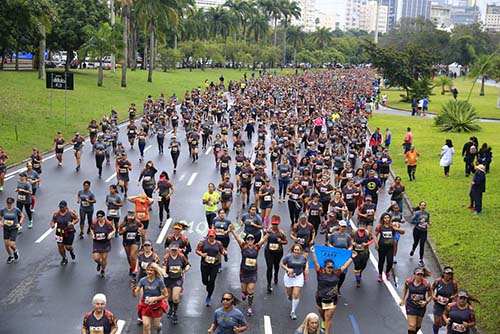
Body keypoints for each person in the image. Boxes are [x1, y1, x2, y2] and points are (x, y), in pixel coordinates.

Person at [310, 245, 354, 334]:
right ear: (325, 267)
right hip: (320, 298)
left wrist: (352, 258)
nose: (330, 269)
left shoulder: (337, 273)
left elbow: (345, 266)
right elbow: (315, 263)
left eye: (331, 267)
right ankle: (323, 321)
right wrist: (313, 252)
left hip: (332, 299)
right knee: (322, 315)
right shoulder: (320, 272)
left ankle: (327, 332)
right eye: (328, 267)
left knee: (328, 317)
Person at [230, 224, 268, 316]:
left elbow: (263, 240)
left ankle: (249, 307)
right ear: (246, 240)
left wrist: (269, 233)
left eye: (252, 239)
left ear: (254, 240)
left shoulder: (256, 247)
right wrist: (232, 231)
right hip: (244, 272)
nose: (250, 241)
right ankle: (244, 293)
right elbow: (237, 238)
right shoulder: (243, 246)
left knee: (250, 289)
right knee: (244, 289)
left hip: (253, 272)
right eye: (248, 239)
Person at [132, 262, 168, 334]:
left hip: (156, 307)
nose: (149, 272)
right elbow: (135, 294)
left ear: (155, 271)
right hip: (146, 306)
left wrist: (154, 299)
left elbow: (165, 295)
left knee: (155, 326)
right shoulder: (143, 280)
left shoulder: (159, 281)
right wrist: (133, 289)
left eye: (151, 270)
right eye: (148, 270)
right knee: (146, 326)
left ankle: (159, 328)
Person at [196, 229, 226, 306]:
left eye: (212, 236)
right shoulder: (202, 243)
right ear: (208, 236)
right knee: (205, 281)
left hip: (214, 265)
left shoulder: (218, 243)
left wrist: (224, 253)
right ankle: (208, 286)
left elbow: (222, 250)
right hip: (204, 264)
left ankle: (209, 296)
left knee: (212, 281)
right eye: (210, 236)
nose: (211, 238)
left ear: (215, 236)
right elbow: (197, 250)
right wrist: (202, 254)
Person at [162, 242, 190, 324]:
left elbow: (187, 264)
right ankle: (171, 308)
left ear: (178, 249)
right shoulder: (167, 257)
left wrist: (185, 269)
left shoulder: (181, 256)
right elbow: (164, 266)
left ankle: (175, 312)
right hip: (168, 279)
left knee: (175, 298)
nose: (174, 251)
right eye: (172, 250)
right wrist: (164, 273)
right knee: (170, 298)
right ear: (170, 249)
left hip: (178, 279)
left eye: (175, 250)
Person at [400, 267, 434, 334]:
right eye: (418, 274)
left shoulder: (426, 284)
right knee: (412, 325)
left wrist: (426, 302)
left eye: (421, 275)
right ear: (414, 275)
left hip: (421, 307)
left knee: (417, 326)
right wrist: (402, 299)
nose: (419, 276)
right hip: (411, 305)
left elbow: (431, 295)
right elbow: (405, 288)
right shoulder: (408, 281)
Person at [374, 212, 405, 282]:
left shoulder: (392, 226)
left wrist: (396, 228)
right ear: (383, 219)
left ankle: (387, 272)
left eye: (388, 218)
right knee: (381, 261)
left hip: (390, 247)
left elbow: (403, 232)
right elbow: (375, 235)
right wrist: (376, 244)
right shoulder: (380, 226)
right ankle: (380, 274)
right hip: (382, 246)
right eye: (385, 218)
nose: (387, 219)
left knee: (390, 261)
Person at [281, 243, 308, 320]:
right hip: (289, 277)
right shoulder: (289, 257)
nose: (296, 251)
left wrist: (306, 268)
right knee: (289, 293)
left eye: (298, 250)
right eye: (295, 250)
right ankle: (290, 296)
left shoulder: (303, 257)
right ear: (293, 250)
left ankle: (293, 312)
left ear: (300, 251)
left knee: (296, 294)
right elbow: (282, 264)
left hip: (298, 277)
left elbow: (306, 263)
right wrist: (288, 269)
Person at [50, 200, 79, 265]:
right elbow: (53, 220)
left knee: (68, 247)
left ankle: (71, 250)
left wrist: (72, 223)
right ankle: (64, 258)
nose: (61, 209)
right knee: (60, 246)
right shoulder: (56, 213)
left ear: (66, 207)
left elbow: (77, 219)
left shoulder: (71, 213)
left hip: (69, 231)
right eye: (60, 207)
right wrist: (52, 224)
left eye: (62, 207)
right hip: (59, 232)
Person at [264, 215, 288, 293]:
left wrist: (280, 241)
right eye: (273, 224)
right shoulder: (268, 231)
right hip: (269, 251)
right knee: (269, 267)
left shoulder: (281, 233)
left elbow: (286, 242)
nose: (274, 225)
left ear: (278, 224)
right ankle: (268, 284)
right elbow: (263, 239)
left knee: (276, 265)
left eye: (276, 224)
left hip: (278, 252)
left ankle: (276, 274)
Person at [432, 266, 458, 334]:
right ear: (443, 274)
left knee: (444, 323)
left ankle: (440, 325)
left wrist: (453, 297)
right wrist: (433, 296)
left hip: (447, 305)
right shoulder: (438, 281)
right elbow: (431, 289)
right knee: (436, 321)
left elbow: (456, 293)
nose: (448, 276)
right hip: (438, 303)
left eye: (450, 274)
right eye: (447, 274)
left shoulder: (454, 283)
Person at [91, 210, 116, 278]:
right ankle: (99, 263)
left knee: (104, 258)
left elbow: (114, 230)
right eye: (98, 217)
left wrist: (110, 234)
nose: (99, 218)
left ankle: (102, 270)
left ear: (103, 217)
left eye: (101, 217)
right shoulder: (94, 223)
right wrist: (93, 234)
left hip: (105, 242)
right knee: (96, 258)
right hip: (97, 242)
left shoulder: (108, 223)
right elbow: (91, 229)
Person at [119, 211, 143, 277]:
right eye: (129, 217)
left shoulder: (137, 222)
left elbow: (142, 226)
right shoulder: (124, 223)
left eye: (132, 217)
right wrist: (123, 231)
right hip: (126, 241)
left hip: (135, 241)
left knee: (132, 255)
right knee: (129, 256)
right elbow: (119, 232)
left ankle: (134, 270)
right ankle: (132, 267)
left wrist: (140, 229)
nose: (130, 219)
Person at [1, 197, 23, 263]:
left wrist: (19, 223)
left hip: (14, 228)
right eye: (8, 203)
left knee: (11, 244)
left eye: (10, 203)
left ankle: (15, 251)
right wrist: (1, 223)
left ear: (12, 203)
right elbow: (0, 217)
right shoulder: (3, 210)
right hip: (6, 228)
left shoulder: (16, 210)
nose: (9, 204)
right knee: (6, 244)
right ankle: (10, 256)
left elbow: (22, 216)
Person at [410, 201, 431, 267]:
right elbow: (412, 221)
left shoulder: (427, 213)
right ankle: (413, 249)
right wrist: (419, 221)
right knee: (416, 242)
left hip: (424, 231)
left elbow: (427, 220)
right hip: (417, 230)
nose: (423, 206)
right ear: (419, 206)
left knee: (422, 245)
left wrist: (429, 222)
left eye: (424, 205)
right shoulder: (417, 213)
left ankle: (420, 260)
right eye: (421, 205)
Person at [351, 222, 371, 287]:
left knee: (363, 265)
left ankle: (360, 272)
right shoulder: (354, 232)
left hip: (364, 252)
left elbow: (371, 240)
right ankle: (358, 280)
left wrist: (367, 244)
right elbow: (350, 238)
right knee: (357, 266)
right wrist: (352, 243)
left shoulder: (367, 233)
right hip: (356, 252)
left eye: (363, 226)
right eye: (360, 226)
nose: (362, 227)